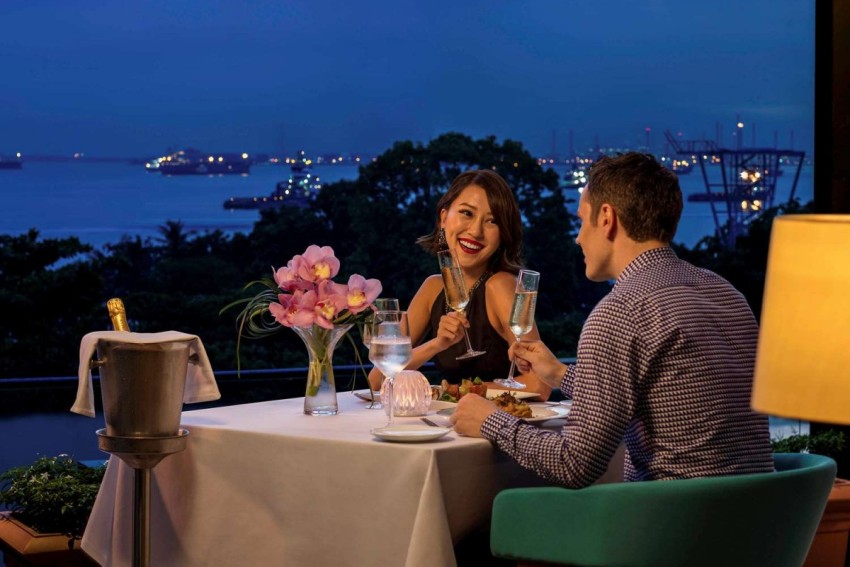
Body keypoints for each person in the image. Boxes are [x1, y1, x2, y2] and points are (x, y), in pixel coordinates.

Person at [451, 152, 774, 487]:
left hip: (671, 515)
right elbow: (659, 393)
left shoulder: (619, 312)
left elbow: (574, 465)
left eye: (581, 221)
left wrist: (490, 421)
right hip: (759, 513)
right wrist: (560, 374)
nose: (578, 237)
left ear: (606, 218)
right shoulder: (726, 293)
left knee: (493, 511)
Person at [368, 169, 549, 399]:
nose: (476, 231)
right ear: (444, 218)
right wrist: (437, 344)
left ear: (503, 234)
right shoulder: (433, 288)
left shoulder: (501, 286)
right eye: (466, 213)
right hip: (451, 420)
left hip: (500, 419)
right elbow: (377, 379)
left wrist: (456, 391)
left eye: (492, 221)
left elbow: (538, 385)